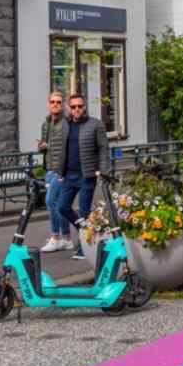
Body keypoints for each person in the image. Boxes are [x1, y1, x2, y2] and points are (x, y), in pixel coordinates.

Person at [55, 94, 110, 260]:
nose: (77, 109)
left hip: (87, 175)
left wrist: (103, 170)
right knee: (62, 207)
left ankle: (82, 248)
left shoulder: (95, 124)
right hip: (69, 175)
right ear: (69, 109)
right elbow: (62, 149)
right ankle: (84, 230)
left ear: (84, 107)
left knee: (84, 211)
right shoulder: (66, 125)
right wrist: (60, 172)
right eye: (73, 107)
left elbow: (103, 149)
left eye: (80, 106)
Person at [38, 92, 72, 252]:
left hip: (60, 170)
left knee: (50, 201)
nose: (55, 104)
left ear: (63, 104)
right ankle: (66, 238)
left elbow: (68, 146)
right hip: (49, 169)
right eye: (52, 101)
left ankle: (55, 237)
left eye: (58, 102)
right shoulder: (46, 123)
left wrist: (63, 171)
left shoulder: (66, 122)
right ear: (48, 103)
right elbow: (45, 146)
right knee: (59, 204)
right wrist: (41, 147)